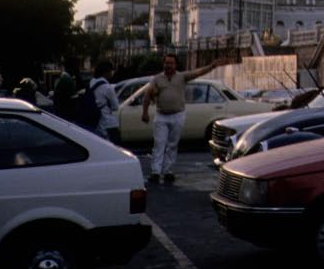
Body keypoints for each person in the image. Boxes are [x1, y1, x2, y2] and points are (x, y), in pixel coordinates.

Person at [141, 54, 227, 184]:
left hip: (177, 115)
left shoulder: (181, 77)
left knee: (172, 144)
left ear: (175, 65)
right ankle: (155, 172)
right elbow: (148, 94)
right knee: (159, 144)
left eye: (171, 63)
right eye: (166, 63)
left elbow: (197, 72)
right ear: (163, 64)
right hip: (161, 116)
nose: (168, 65)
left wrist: (212, 66)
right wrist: (145, 112)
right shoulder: (157, 79)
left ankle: (168, 171)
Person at [89, 60, 123, 143]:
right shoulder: (108, 87)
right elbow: (115, 107)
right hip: (108, 123)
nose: (112, 73)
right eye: (111, 70)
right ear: (106, 72)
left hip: (95, 122)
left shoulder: (91, 83)